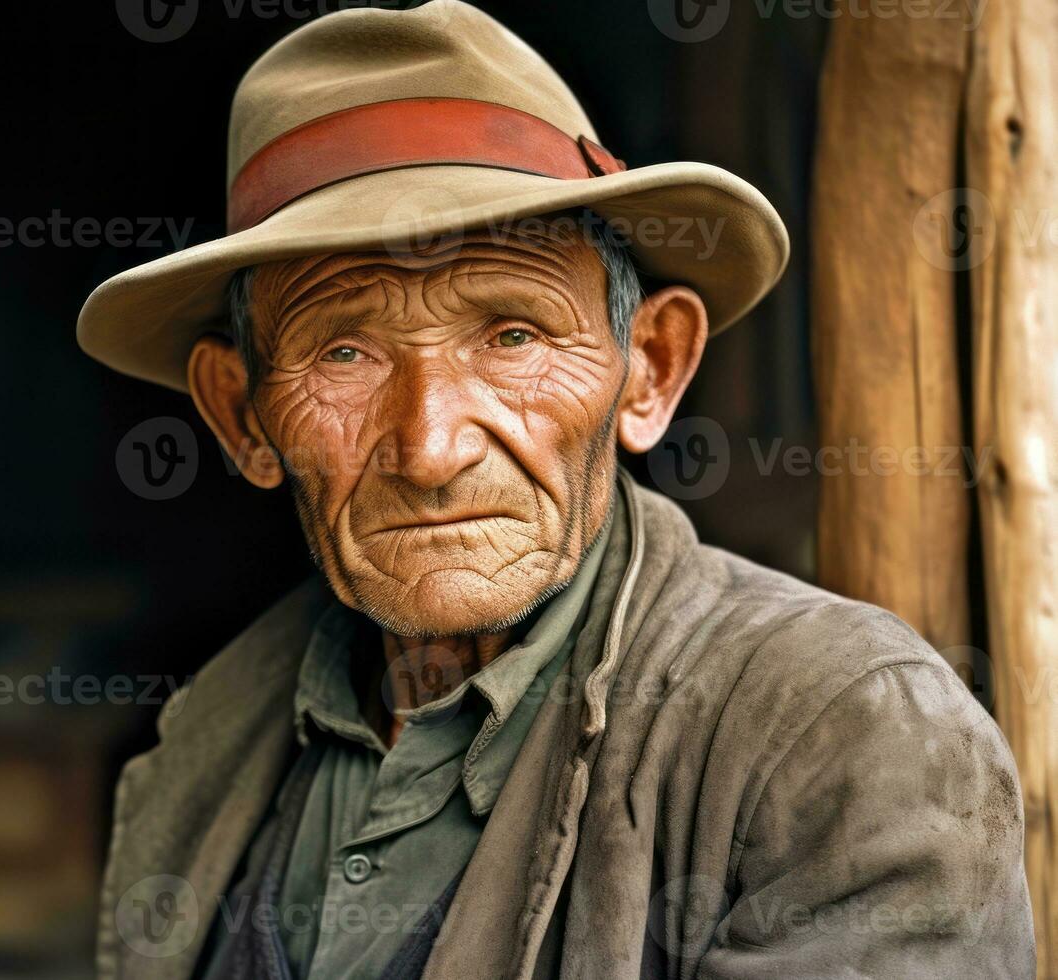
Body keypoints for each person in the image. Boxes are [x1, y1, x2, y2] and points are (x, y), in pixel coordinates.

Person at [77, 2, 1033, 977]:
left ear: (649, 369)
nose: (432, 446)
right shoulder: (208, 736)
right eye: (345, 349)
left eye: (512, 335)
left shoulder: (842, 730)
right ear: (242, 414)